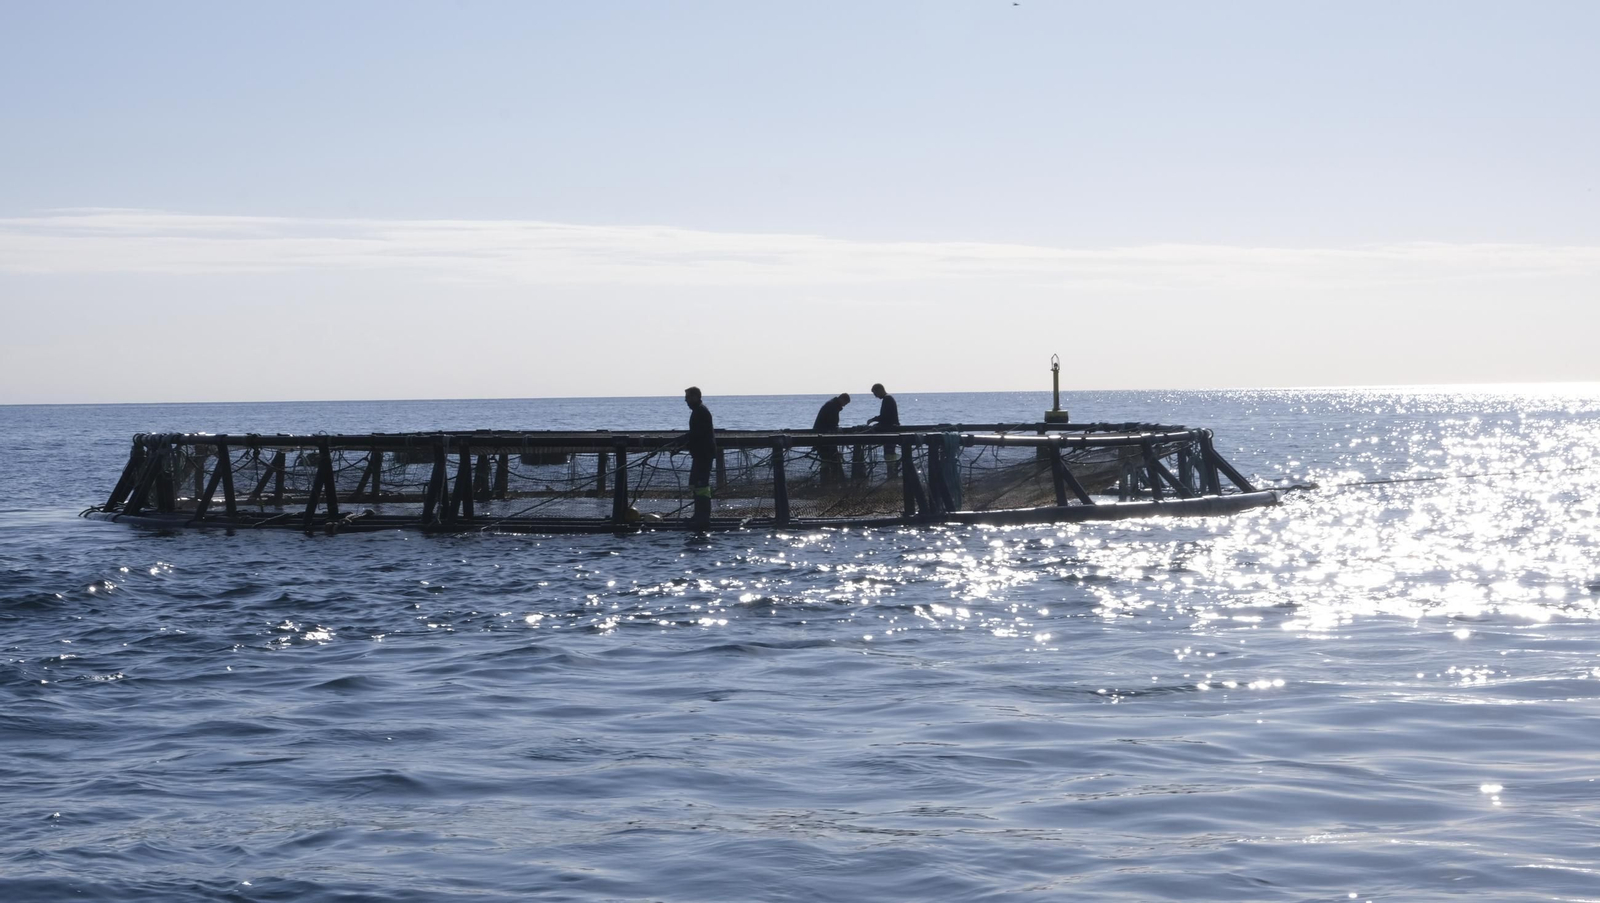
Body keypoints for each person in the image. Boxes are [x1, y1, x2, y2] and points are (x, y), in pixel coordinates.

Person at [681, 386, 716, 530]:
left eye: (688, 397)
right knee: (696, 485)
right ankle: (698, 515)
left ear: (695, 397)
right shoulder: (698, 411)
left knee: (701, 485)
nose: (686, 401)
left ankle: (703, 518)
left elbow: (697, 434)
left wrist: (682, 439)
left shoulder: (701, 411)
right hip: (700, 454)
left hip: (704, 454)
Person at [811, 393, 850, 486]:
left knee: (826, 460)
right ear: (841, 399)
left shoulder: (831, 404)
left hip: (822, 436)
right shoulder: (832, 406)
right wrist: (836, 429)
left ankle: (827, 482)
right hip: (825, 437)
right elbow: (831, 423)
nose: (844, 406)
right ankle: (833, 482)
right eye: (845, 403)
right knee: (830, 459)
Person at [866, 383, 901, 477]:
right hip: (891, 428)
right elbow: (887, 417)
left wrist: (873, 420)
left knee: (889, 452)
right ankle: (893, 472)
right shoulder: (888, 399)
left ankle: (892, 472)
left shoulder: (887, 399)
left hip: (890, 430)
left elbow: (885, 417)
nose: (875, 396)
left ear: (880, 390)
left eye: (875, 393)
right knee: (890, 452)